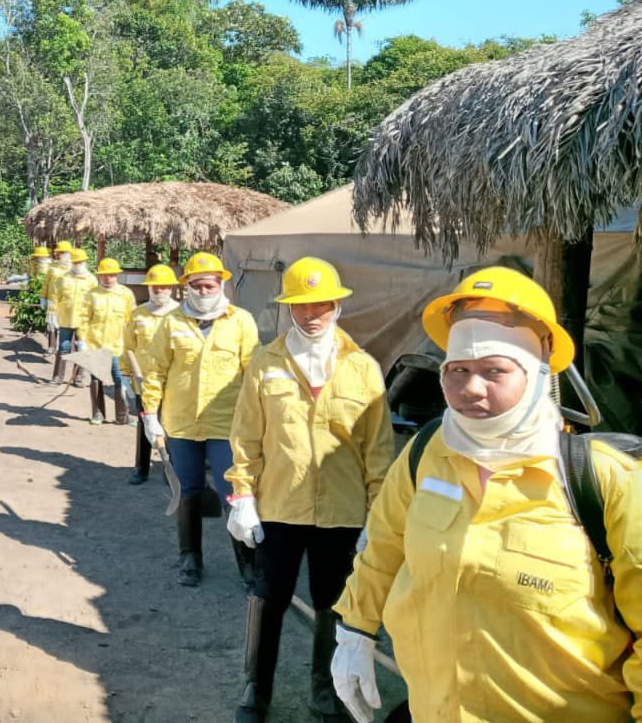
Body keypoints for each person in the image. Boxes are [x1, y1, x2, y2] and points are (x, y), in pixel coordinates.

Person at [331, 266, 642, 723]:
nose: (471, 388)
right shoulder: (425, 454)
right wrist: (355, 629)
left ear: (538, 371)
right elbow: (384, 546)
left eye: (494, 370)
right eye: (457, 370)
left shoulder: (600, 481)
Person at [225, 257, 393, 723]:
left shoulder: (363, 368)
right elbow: (246, 437)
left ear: (337, 305)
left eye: (320, 304)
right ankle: (256, 689)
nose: (310, 314)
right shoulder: (266, 361)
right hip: (278, 506)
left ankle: (327, 691)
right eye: (300, 305)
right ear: (288, 309)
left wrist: (376, 519)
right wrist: (242, 498)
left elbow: (378, 452)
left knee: (332, 604)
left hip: (341, 513)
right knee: (268, 597)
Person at [139, 252, 259, 587]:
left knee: (232, 492)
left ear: (221, 284)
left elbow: (254, 373)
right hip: (181, 426)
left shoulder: (241, 322)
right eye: (197, 285)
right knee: (188, 490)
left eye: (210, 284)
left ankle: (247, 563)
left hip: (227, 424)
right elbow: (155, 371)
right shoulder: (172, 323)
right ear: (186, 287)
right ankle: (190, 558)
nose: (204, 291)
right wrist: (150, 414)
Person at [123, 263, 180, 484]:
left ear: (171, 288)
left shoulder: (181, 315)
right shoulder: (138, 314)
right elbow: (128, 346)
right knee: (145, 426)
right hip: (143, 381)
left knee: (173, 426)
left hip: (173, 382)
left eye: (164, 287)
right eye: (155, 287)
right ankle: (141, 467)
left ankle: (172, 469)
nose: (159, 291)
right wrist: (126, 376)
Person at [78, 257, 137, 425]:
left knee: (121, 380)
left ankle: (123, 416)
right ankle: (98, 414)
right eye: (104, 275)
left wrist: (133, 344)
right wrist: (82, 340)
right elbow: (83, 319)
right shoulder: (92, 294)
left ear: (117, 275)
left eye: (111, 275)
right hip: (96, 344)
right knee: (96, 380)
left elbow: (131, 321)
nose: (107, 278)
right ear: (99, 276)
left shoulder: (125, 294)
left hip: (119, 346)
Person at [51, 248, 95, 387]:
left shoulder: (91, 280)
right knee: (63, 347)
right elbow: (55, 296)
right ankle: (58, 376)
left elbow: (95, 301)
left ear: (85, 262)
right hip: (66, 318)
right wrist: (51, 312)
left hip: (83, 321)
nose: (78, 264)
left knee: (81, 348)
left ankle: (78, 377)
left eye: (80, 262)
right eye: (75, 262)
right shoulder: (64, 278)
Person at [41, 241, 73, 355]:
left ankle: (65, 348)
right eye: (57, 253)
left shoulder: (74, 267)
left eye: (60, 253)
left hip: (67, 302)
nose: (57, 255)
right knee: (51, 324)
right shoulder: (52, 266)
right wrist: (43, 297)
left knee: (66, 325)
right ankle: (51, 347)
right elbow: (46, 283)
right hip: (53, 300)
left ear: (67, 254)